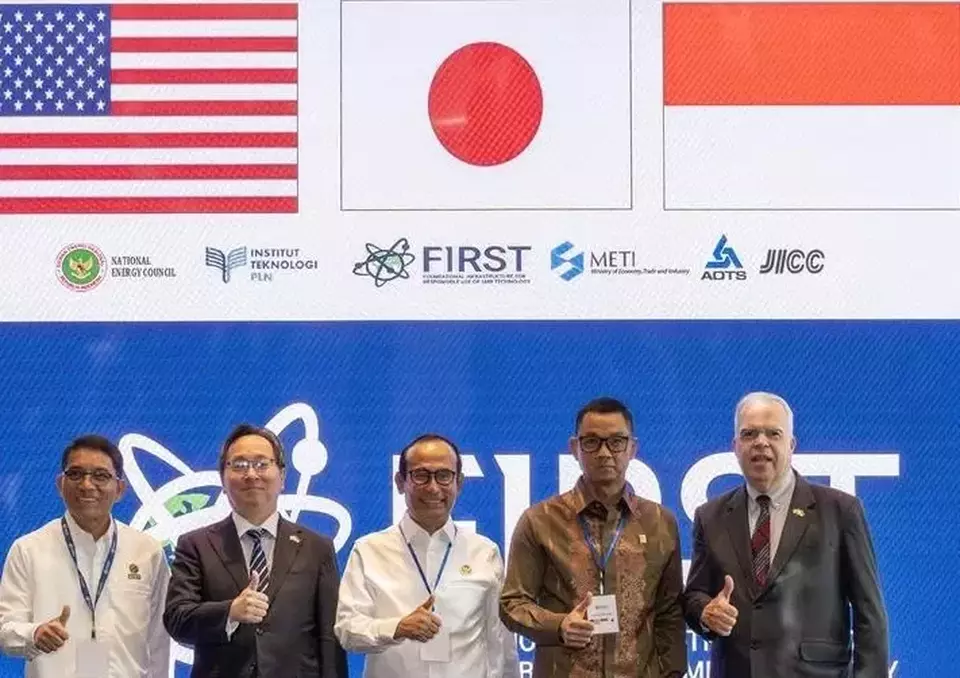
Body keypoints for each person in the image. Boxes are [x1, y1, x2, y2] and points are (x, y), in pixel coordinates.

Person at [682, 392, 889, 678]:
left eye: (773, 433)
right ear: (735, 447)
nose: (761, 442)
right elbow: (694, 594)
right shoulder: (710, 516)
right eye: (749, 434)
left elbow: (870, 614)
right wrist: (705, 612)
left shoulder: (841, 511)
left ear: (791, 445)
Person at [500, 397, 686, 678]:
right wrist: (559, 625)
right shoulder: (540, 521)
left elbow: (670, 613)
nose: (604, 452)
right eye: (591, 442)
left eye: (616, 442)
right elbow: (512, 604)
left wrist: (672, 673)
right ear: (574, 448)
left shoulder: (660, 522)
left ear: (633, 448)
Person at [163, 424, 347, 678]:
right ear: (222, 479)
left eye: (262, 464)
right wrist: (230, 612)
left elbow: (329, 637)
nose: (251, 474)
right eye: (239, 465)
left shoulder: (317, 548)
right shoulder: (195, 545)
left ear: (282, 476)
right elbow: (177, 619)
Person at [335, 434, 519, 678]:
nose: (433, 487)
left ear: (459, 483)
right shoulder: (369, 550)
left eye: (444, 476)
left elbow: (500, 642)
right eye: (421, 475)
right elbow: (347, 629)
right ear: (400, 482)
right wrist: (396, 628)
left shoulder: (484, 552)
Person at [0, 434, 170, 677]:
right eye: (76, 474)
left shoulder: (147, 551)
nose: (87, 485)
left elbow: (159, 639)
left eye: (100, 476)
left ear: (120, 489)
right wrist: (34, 633)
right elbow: (5, 628)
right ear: (60, 484)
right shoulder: (28, 549)